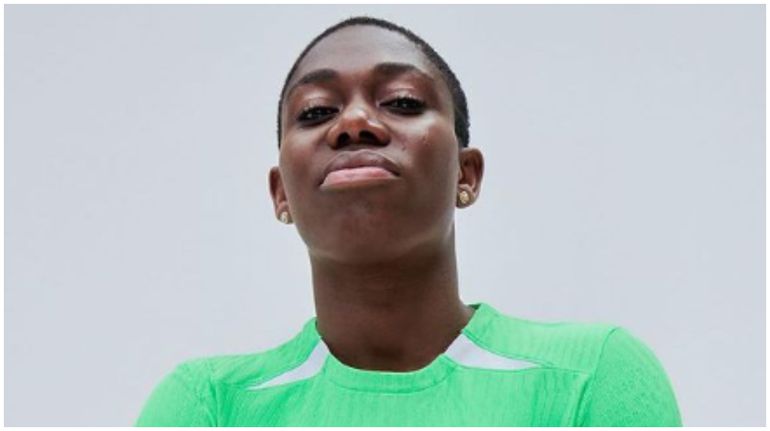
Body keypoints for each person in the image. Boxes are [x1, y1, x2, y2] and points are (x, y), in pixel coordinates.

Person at [134, 16, 682, 427]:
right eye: (317, 111)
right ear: (282, 194)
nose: (354, 122)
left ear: (466, 174)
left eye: (401, 101)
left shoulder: (590, 378)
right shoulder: (210, 406)